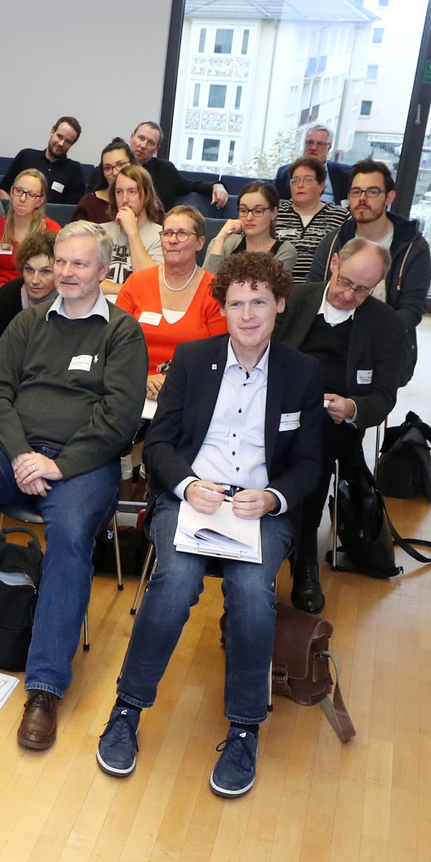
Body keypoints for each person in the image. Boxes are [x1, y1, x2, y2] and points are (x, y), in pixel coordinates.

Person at [95, 251, 324, 798]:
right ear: (221, 308)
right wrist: (186, 487)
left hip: (258, 509)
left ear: (279, 305)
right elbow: (160, 444)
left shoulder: (302, 373)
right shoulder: (194, 361)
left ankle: (245, 727)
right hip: (191, 498)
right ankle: (127, 709)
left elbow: (310, 464)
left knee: (250, 591)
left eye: (259, 303)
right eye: (236, 303)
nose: (247, 314)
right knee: (174, 583)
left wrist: (271, 498)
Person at [0, 222, 146, 749]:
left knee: (68, 537)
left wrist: (58, 465)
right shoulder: (27, 323)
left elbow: (120, 420)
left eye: (79, 264)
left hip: (82, 466)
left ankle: (44, 686)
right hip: (16, 451)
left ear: (103, 270)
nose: (66, 273)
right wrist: (22, 452)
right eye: (60, 262)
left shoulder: (121, 332)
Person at [274, 239, 411, 613]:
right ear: (333, 263)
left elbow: (384, 396)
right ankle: (267, 552)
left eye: (362, 290)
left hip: (333, 423)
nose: (349, 295)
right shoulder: (293, 299)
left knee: (311, 450)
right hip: (274, 406)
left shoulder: (386, 326)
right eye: (345, 282)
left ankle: (302, 561)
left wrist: (352, 407)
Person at [314, 160, 431, 374]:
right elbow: (314, 290)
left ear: (389, 198)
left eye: (372, 192)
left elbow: (412, 309)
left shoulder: (412, 247)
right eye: (356, 191)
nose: (362, 199)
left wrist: (370, 333)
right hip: (330, 334)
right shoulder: (334, 241)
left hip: (382, 339)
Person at [112, 205, 227, 399]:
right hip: (133, 388)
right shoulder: (137, 283)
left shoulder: (215, 291)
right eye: (167, 233)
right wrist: (143, 379)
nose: (173, 240)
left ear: (200, 242)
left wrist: (172, 380)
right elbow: (115, 345)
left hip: (191, 393)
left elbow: (218, 357)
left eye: (182, 233)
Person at [273, 155, 352, 281]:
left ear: (321, 186)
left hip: (319, 287)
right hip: (276, 284)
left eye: (308, 180)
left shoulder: (341, 216)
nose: (300, 185)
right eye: (295, 181)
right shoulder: (275, 213)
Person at [0, 170, 60, 290]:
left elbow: (56, 275)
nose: (22, 198)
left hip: (37, 295)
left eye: (31, 195)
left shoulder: (53, 231)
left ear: (40, 201)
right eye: (18, 191)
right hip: (0, 293)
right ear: (11, 192)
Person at [127, 121, 229, 212]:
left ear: (156, 149)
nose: (143, 145)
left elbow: (193, 185)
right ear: (131, 137)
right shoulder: (114, 166)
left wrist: (216, 185)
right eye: (141, 138)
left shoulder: (165, 171)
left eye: (150, 143)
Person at [204, 181, 297, 276]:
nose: (249, 217)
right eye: (243, 210)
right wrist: (220, 239)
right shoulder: (224, 243)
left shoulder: (284, 250)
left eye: (258, 211)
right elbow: (206, 285)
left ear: (273, 213)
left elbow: (263, 287)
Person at [100, 164, 162, 289]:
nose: (124, 200)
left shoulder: (162, 236)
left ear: (146, 195)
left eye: (132, 192)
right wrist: (126, 291)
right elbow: (87, 282)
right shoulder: (100, 232)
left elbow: (151, 284)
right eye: (119, 192)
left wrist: (133, 233)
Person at [0, 117, 87, 204]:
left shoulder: (75, 170)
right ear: (52, 132)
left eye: (67, 141)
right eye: (59, 136)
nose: (61, 143)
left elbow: (71, 210)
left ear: (72, 144)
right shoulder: (26, 156)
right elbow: (3, 190)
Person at [0, 228, 58, 339]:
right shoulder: (8, 295)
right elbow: (1, 348)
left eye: (45, 271)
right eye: (29, 270)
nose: (35, 280)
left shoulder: (69, 300)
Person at [273, 126, 353, 204]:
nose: (313, 148)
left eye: (320, 144)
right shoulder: (284, 172)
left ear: (329, 147)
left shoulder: (345, 173)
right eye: (310, 142)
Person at [72, 138, 134, 225]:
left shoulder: (148, 201)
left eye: (120, 164)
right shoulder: (88, 203)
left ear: (133, 164)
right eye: (107, 168)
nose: (115, 172)